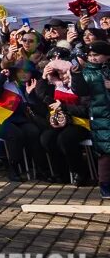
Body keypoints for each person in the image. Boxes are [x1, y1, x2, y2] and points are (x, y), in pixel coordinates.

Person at [40, 51, 93, 186]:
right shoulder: (58, 86)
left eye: (64, 73)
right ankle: (60, 173)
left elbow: (85, 110)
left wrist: (63, 106)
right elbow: (45, 99)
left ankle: (81, 173)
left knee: (65, 139)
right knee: (47, 137)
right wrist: (44, 77)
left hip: (82, 123)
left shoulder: (82, 85)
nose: (63, 76)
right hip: (64, 121)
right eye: (60, 74)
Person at [78, 40, 110, 199]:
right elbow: (80, 90)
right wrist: (75, 74)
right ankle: (105, 185)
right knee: (105, 152)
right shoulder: (87, 72)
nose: (92, 58)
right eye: (90, 55)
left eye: (96, 55)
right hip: (100, 117)